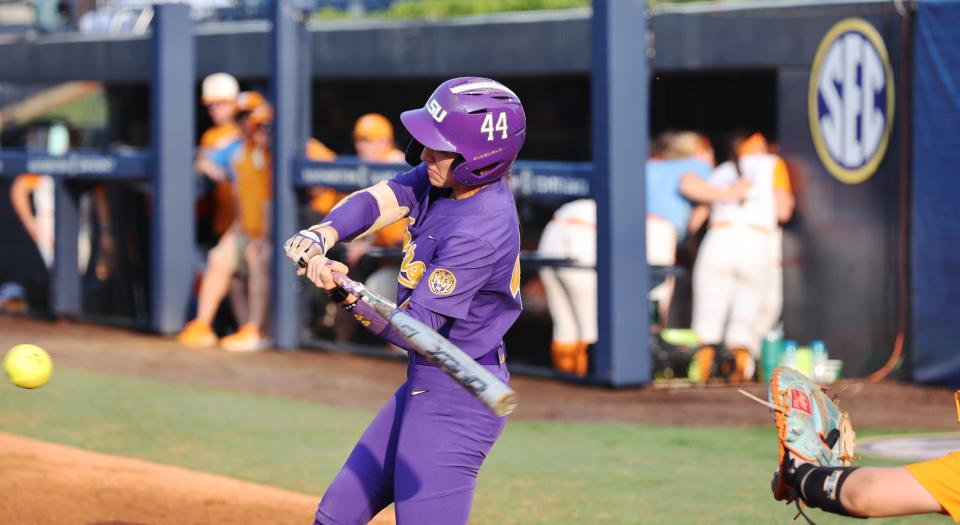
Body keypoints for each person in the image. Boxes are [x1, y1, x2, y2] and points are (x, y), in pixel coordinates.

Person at [283, 77, 525, 525]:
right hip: (425, 382)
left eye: (440, 147)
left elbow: (416, 331)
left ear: (481, 159)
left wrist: (343, 290)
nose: (424, 154)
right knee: (335, 517)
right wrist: (324, 233)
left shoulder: (480, 230)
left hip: (457, 395)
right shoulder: (446, 180)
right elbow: (383, 199)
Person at [536, 131, 748, 376]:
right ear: (699, 149)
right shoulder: (695, 164)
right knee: (619, 319)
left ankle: (569, 385)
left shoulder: (648, 164)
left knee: (566, 325)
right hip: (637, 230)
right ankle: (634, 372)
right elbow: (688, 186)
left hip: (560, 224)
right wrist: (732, 193)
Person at [689, 132, 794, 384]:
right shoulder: (773, 164)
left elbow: (694, 223)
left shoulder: (720, 171)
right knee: (744, 317)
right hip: (754, 240)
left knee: (706, 319)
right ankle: (737, 374)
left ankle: (701, 374)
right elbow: (783, 211)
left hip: (717, 238)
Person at [178, 98, 274, 352]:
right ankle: (204, 325)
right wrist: (236, 229)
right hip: (248, 228)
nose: (258, 130)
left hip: (281, 234)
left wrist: (265, 236)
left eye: (265, 126)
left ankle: (255, 329)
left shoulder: (281, 150)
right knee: (220, 257)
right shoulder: (242, 151)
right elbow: (243, 197)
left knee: (257, 257)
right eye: (254, 124)